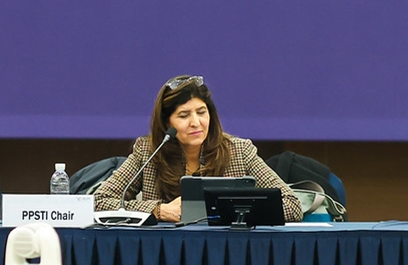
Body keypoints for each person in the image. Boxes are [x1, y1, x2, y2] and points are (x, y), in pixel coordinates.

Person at [94, 75, 303, 222]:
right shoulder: (147, 152)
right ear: (166, 123)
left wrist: (234, 212)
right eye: (184, 116)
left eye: (201, 112)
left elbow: (292, 205)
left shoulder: (239, 151)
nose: (196, 123)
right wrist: (158, 210)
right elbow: (100, 202)